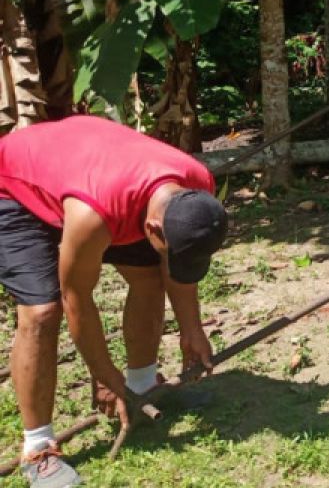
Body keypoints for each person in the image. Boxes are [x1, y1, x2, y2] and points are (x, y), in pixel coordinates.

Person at [0, 116, 227, 488]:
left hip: (84, 174)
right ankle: (38, 448)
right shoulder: (94, 215)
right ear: (152, 229)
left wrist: (192, 329)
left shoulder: (195, 186)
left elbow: (173, 261)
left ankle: (141, 388)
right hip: (14, 188)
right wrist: (103, 374)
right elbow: (78, 299)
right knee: (43, 311)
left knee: (150, 277)